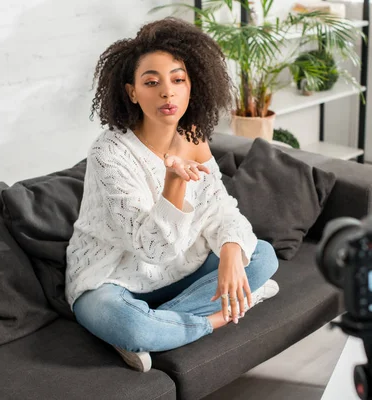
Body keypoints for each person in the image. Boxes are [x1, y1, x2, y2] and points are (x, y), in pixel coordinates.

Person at [65, 17, 279, 373]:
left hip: (181, 270)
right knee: (125, 322)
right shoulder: (109, 152)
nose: (168, 92)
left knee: (262, 257)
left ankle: (157, 328)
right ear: (132, 91)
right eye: (152, 82)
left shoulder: (193, 136)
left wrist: (229, 250)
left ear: (192, 84)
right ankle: (223, 315)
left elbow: (221, 209)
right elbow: (151, 248)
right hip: (113, 280)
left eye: (178, 80)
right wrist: (174, 182)